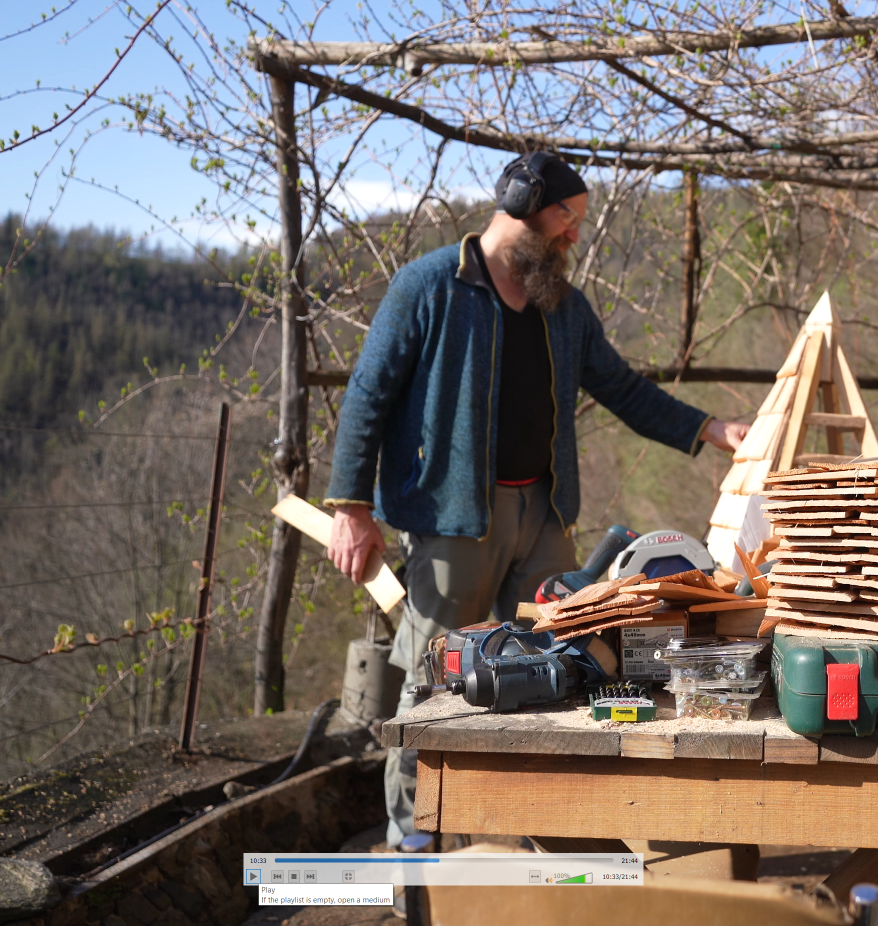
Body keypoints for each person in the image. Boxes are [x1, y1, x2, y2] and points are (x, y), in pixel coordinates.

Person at [321, 151, 749, 847]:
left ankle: (544, 838)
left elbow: (621, 388)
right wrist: (350, 508)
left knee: (560, 669)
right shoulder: (428, 286)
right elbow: (368, 391)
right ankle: (416, 842)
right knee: (434, 682)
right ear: (522, 207)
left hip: (545, 517)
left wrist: (712, 428)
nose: (573, 236)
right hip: (453, 520)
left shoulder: (562, 307)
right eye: (565, 220)